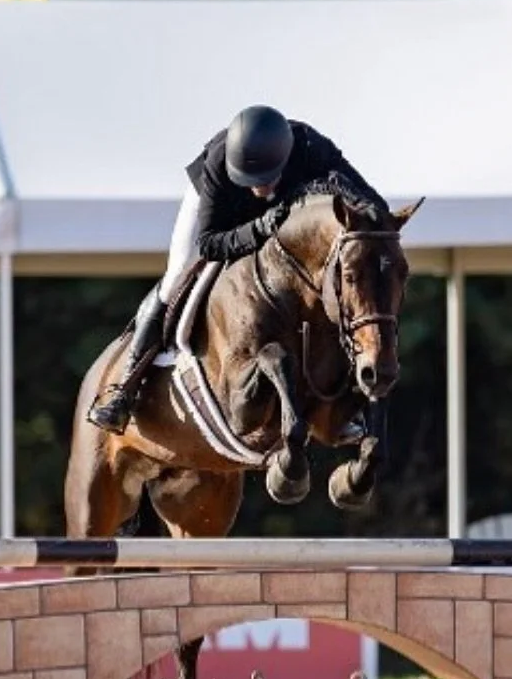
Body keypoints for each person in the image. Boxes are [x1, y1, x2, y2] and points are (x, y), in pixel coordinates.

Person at [87, 104, 389, 435]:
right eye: (250, 180)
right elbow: (210, 244)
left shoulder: (311, 148)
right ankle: (126, 388)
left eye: (265, 179)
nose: (257, 188)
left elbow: (375, 206)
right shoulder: (218, 165)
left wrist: (337, 186)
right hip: (222, 217)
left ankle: (339, 400)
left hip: (283, 223)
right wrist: (258, 227)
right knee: (176, 276)